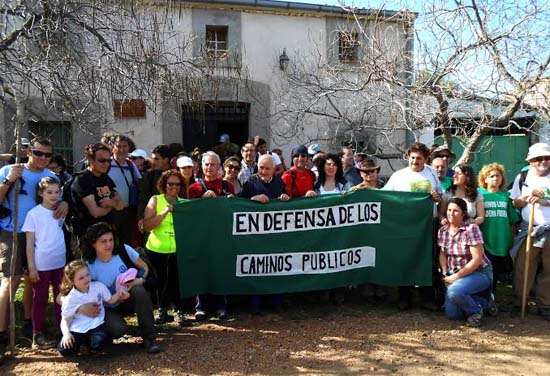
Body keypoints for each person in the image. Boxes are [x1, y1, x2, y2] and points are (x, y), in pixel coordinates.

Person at [0, 136, 67, 349]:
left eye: (48, 155)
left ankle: (30, 325)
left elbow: (59, 198)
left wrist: (64, 202)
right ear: (29, 152)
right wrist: (9, 180)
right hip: (13, 231)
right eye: (38, 153)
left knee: (33, 280)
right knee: (11, 281)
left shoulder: (50, 176)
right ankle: (2, 333)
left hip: (41, 235)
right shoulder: (11, 170)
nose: (43, 158)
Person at [81, 222, 160, 353]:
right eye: (103, 241)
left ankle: (149, 338)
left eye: (111, 240)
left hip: (128, 299)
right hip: (106, 307)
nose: (109, 245)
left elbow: (144, 268)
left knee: (139, 291)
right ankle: (101, 338)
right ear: (93, 244)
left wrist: (139, 280)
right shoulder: (89, 265)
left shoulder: (123, 250)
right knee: (118, 329)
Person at [383, 142, 442, 310]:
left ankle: (427, 298)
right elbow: (386, 196)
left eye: (419, 158)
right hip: (405, 225)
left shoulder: (431, 173)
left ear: (426, 160)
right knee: (405, 259)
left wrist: (437, 199)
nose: (415, 161)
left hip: (427, 224)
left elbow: (440, 197)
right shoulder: (398, 176)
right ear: (408, 157)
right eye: (412, 158)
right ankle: (404, 297)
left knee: (427, 260)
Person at [240, 154, 289, 313]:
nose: (264, 171)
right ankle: (255, 303)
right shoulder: (250, 182)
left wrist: (285, 198)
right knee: (255, 267)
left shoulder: (280, 182)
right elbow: (240, 204)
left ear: (274, 169)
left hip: (275, 235)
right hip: (255, 236)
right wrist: (253, 198)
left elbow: (290, 203)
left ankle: (275, 301)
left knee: (275, 266)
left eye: (267, 168)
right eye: (261, 167)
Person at [22, 177, 66, 348]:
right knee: (40, 298)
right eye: (49, 192)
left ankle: (62, 329)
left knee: (60, 296)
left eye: (57, 192)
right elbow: (29, 244)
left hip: (59, 260)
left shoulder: (60, 211)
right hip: (41, 263)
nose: (53, 196)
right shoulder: (34, 214)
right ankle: (37, 333)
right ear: (41, 193)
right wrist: (32, 267)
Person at [189, 151, 233, 320]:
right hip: (201, 236)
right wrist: (201, 199)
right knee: (202, 270)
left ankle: (221, 306)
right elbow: (189, 210)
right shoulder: (194, 188)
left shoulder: (226, 185)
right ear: (201, 166)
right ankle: (200, 307)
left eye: (213, 164)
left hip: (221, 235)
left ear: (219, 166)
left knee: (219, 270)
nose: (209, 167)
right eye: (206, 164)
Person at [438, 197, 494, 327]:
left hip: (479, 272)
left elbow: (477, 260)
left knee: (454, 292)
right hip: (455, 273)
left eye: (456, 211)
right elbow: (442, 253)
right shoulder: (443, 231)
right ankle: (484, 302)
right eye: (449, 210)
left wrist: (455, 277)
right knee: (453, 315)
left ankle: (476, 311)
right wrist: (446, 273)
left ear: (463, 213)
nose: (451, 213)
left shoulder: (471, 229)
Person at [142, 170, 188, 327]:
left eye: (177, 184)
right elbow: (147, 225)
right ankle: (161, 310)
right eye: (170, 184)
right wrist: (164, 212)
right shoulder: (155, 200)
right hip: (156, 248)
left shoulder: (183, 203)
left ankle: (178, 310)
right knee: (159, 280)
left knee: (176, 280)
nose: (174, 187)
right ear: (164, 185)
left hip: (177, 249)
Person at [510, 142, 550, 320]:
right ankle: (521, 302)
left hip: (549, 229)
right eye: (538, 159)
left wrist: (545, 201)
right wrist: (525, 198)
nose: (543, 161)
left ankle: (545, 304)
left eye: (546, 158)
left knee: (549, 269)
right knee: (523, 266)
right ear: (531, 161)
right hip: (529, 228)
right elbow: (514, 202)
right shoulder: (523, 176)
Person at [58, 261, 129, 356]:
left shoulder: (98, 286)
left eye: (87, 275)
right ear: (72, 281)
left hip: (96, 323)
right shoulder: (70, 298)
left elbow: (110, 300)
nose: (86, 279)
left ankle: (89, 344)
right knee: (65, 350)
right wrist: (66, 334)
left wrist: (120, 293)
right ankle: (82, 343)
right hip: (78, 328)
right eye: (81, 278)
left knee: (100, 343)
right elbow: (65, 320)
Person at [477, 163, 519, 296]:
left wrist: (511, 239)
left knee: (497, 271)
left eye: (498, 176)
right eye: (492, 176)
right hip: (485, 240)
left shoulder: (506, 196)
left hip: (502, 240)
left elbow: (512, 221)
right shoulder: (479, 194)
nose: (495, 178)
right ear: (485, 179)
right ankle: (485, 297)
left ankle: (492, 297)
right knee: (487, 270)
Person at [69, 143, 123, 240]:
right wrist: (113, 205)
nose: (106, 164)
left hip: (107, 233)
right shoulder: (82, 180)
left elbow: (121, 205)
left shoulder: (106, 179)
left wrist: (111, 203)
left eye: (109, 160)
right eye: (102, 160)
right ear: (90, 159)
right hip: (89, 236)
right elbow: (96, 212)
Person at [107, 135, 142, 245]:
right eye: (119, 146)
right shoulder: (106, 164)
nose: (122, 150)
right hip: (110, 211)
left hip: (128, 211)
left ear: (129, 148)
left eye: (125, 146)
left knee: (126, 243)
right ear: (113, 148)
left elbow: (139, 182)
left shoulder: (131, 164)